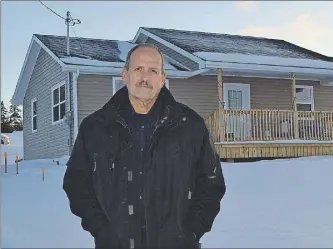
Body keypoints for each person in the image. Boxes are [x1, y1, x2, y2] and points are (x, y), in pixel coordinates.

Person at [62, 44, 226, 249]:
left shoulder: (190, 126)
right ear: (125, 75)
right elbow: (77, 184)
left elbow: (211, 184)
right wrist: (102, 230)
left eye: (153, 70)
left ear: (162, 79)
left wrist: (191, 232)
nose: (145, 77)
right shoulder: (96, 128)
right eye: (138, 69)